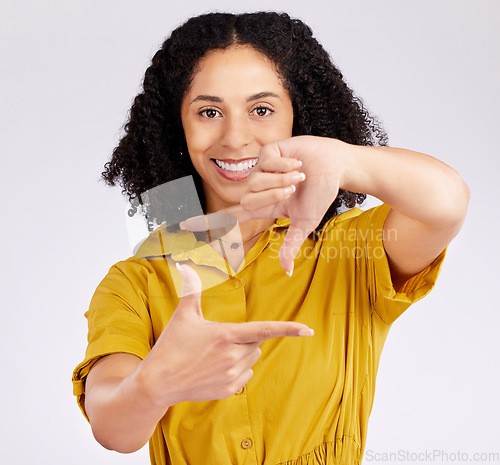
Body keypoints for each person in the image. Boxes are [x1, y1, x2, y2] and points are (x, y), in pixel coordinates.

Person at [72, 11, 469, 465]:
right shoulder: (136, 281)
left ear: (296, 117)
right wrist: (154, 384)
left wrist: (344, 160)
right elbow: (112, 429)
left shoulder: (348, 251)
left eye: (261, 110)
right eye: (209, 111)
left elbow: (447, 203)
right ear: (177, 129)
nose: (236, 137)